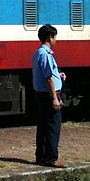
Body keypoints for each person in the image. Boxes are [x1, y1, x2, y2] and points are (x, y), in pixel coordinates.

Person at [32, 24, 66, 167]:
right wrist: (54, 98)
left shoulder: (39, 53)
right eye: (55, 37)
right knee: (53, 126)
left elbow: (49, 74)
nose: (56, 40)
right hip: (48, 95)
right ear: (50, 38)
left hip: (42, 94)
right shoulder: (45, 54)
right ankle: (51, 158)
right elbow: (48, 77)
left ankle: (41, 156)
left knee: (43, 125)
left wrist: (59, 75)